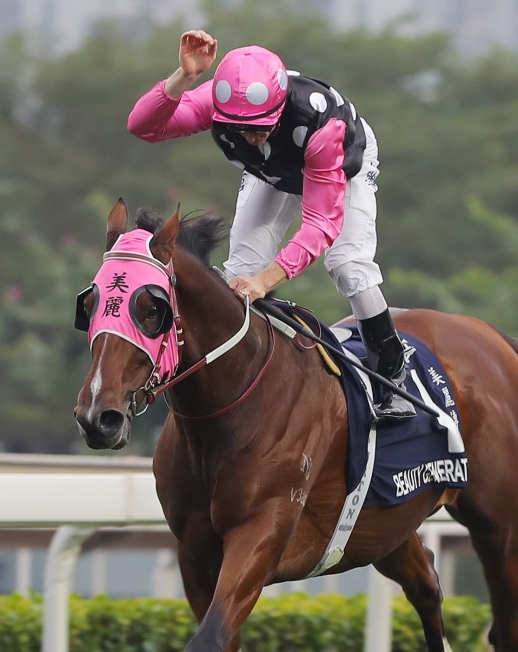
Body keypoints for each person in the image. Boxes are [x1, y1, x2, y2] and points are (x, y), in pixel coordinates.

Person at [127, 29, 413, 418]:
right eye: (241, 127)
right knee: (239, 275)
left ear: (279, 105)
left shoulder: (320, 126)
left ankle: (393, 373)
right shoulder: (217, 101)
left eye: (260, 125)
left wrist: (267, 280)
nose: (249, 134)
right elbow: (143, 126)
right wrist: (184, 76)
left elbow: (319, 227)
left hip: (337, 164)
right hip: (275, 169)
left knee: (347, 265)